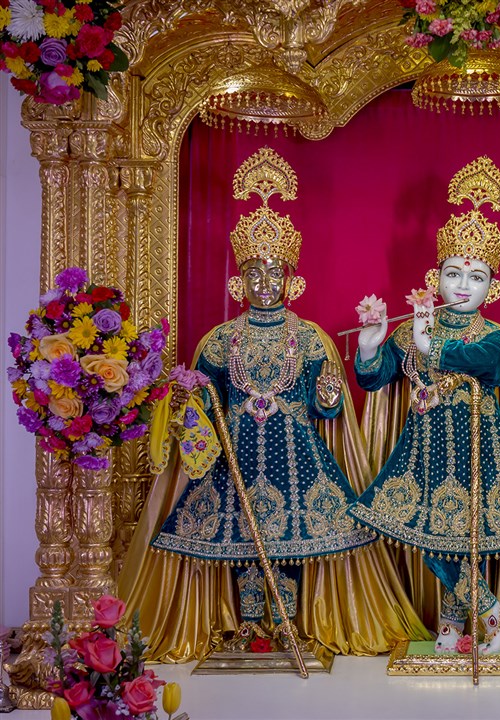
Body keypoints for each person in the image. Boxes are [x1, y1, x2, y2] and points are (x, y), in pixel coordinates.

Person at [118, 147, 428, 660]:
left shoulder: (310, 338)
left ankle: (286, 622)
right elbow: (205, 404)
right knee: (242, 540)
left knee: (291, 538)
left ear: (292, 279)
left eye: (274, 273)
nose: (264, 284)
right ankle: (250, 623)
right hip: (234, 455)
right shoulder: (220, 340)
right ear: (238, 280)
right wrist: (190, 402)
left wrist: (327, 398)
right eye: (254, 275)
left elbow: (327, 410)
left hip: (295, 454)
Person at [350, 157, 500, 654]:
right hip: (423, 450)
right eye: (453, 273)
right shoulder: (411, 330)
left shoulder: (496, 337)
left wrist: (431, 347)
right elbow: (375, 379)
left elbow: (485, 366)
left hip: (476, 449)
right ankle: (469, 617)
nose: (463, 285)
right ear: (435, 278)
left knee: (459, 535)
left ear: (493, 287)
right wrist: (370, 346)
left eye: (477, 276)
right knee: (428, 535)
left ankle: (473, 616)